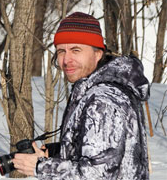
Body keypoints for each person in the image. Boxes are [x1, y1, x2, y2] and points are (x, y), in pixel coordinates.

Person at [12, 12, 150, 179]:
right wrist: (55, 152)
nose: (66, 60)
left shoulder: (104, 100)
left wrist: (41, 167)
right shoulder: (102, 91)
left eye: (75, 50)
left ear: (97, 54)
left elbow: (97, 174)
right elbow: (110, 154)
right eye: (61, 51)